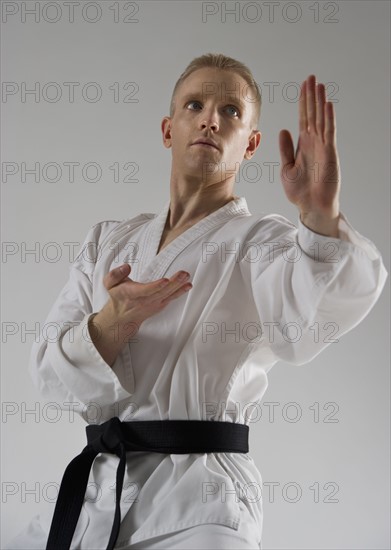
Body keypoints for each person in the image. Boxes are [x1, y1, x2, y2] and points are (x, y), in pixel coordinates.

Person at [6, 53, 387, 550]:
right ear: (168, 130)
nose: (211, 118)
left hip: (203, 502)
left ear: (250, 146)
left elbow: (314, 315)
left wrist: (320, 221)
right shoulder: (108, 242)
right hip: (97, 493)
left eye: (231, 111)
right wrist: (113, 321)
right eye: (195, 104)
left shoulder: (263, 243)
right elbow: (49, 375)